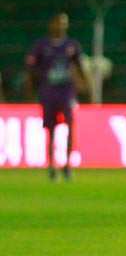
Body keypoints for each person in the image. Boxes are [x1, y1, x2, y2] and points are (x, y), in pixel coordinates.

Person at [25, 13, 89, 180]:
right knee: (51, 130)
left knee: (69, 126)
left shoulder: (72, 45)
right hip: (48, 92)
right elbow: (31, 68)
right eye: (59, 23)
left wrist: (85, 85)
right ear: (52, 24)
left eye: (64, 23)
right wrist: (33, 88)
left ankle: (67, 166)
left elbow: (80, 66)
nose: (61, 26)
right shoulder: (41, 45)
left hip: (66, 92)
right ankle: (52, 166)